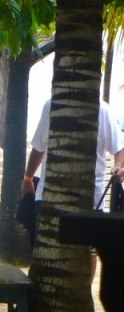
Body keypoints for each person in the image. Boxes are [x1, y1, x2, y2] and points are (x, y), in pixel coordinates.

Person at [21, 99, 124, 275]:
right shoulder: (52, 104)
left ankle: (84, 291)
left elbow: (119, 149)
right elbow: (39, 147)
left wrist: (119, 167)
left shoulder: (101, 110)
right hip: (52, 196)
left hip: (90, 198)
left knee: (88, 250)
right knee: (57, 249)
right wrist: (28, 178)